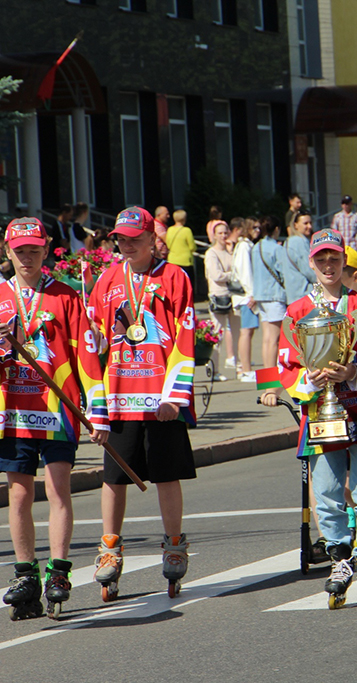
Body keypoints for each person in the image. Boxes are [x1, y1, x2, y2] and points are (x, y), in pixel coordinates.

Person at [264, 228, 357, 608]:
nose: (328, 265)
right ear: (311, 262)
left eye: (334, 258)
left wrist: (353, 373)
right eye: (321, 258)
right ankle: (339, 560)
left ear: (344, 261)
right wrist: (312, 378)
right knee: (327, 494)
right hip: (321, 413)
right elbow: (287, 366)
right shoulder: (297, 312)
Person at [0, 217, 109, 620]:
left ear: (46, 251)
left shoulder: (66, 296)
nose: (26, 257)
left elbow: (87, 358)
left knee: (58, 488)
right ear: (7, 252)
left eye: (34, 250)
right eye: (19, 250)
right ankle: (25, 574)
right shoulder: (0, 296)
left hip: (58, 407)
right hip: (12, 411)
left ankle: (59, 571)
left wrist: (98, 413)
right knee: (18, 494)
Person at [89, 207, 196, 596]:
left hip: (160, 401)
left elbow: (185, 339)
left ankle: (173, 545)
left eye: (136, 238)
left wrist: (174, 397)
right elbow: (94, 344)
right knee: (114, 478)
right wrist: (96, 411)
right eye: (122, 238)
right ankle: (110, 549)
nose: (128, 244)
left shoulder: (174, 277)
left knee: (166, 474)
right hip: (119, 397)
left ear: (153, 238)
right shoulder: (105, 280)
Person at [250, 216, 287, 374]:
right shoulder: (277, 248)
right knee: (274, 339)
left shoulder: (255, 246)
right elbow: (283, 271)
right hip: (274, 295)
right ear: (276, 229)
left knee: (266, 338)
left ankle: (267, 375)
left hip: (260, 295)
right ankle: (271, 376)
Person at [203, 220, 239, 382]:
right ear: (214, 235)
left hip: (234, 295)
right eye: (220, 233)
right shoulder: (211, 253)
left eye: (226, 232)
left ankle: (240, 367)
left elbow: (237, 268)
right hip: (219, 296)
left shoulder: (231, 252)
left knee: (238, 333)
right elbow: (217, 275)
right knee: (218, 335)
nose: (224, 236)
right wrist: (232, 275)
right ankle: (214, 370)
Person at [231, 218, 258, 383]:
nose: (257, 230)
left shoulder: (246, 245)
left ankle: (244, 367)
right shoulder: (244, 246)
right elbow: (245, 271)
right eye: (254, 227)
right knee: (246, 331)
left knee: (248, 331)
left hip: (246, 295)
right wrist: (252, 293)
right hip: (246, 296)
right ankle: (245, 370)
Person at [282, 210, 318, 304]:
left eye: (310, 223)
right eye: (305, 223)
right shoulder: (299, 242)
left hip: (292, 295)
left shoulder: (288, 242)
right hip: (303, 294)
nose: (309, 226)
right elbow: (309, 269)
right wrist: (321, 280)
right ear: (296, 225)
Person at [165, 210, 197, 284]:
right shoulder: (187, 230)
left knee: (175, 284)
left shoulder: (169, 230)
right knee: (188, 284)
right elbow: (192, 247)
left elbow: (168, 244)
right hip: (185, 261)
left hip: (172, 260)